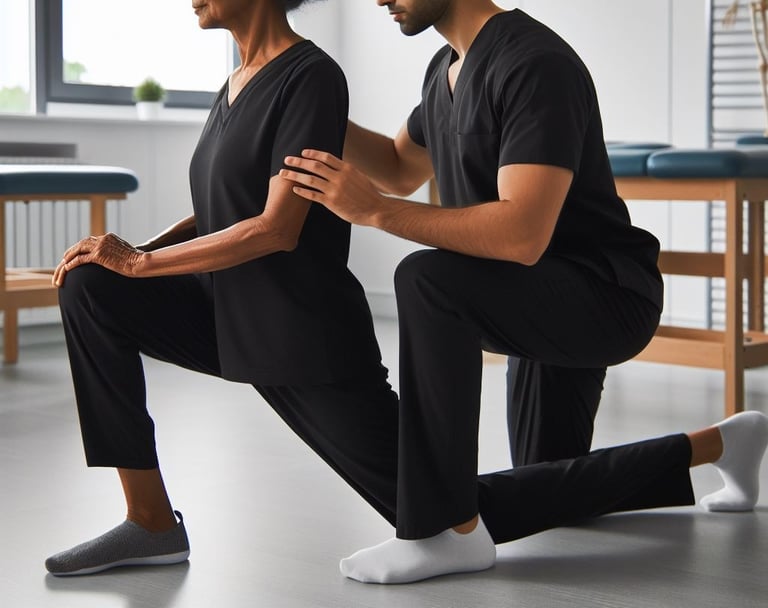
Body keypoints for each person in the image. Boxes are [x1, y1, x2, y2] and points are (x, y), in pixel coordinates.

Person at [280, 0, 768, 583]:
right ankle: (724, 443)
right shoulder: (445, 69)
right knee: (543, 488)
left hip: (601, 296)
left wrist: (378, 213)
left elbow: (521, 235)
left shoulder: (534, 62)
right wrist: (311, 108)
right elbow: (395, 165)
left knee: (426, 279)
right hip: (530, 297)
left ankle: (444, 529)